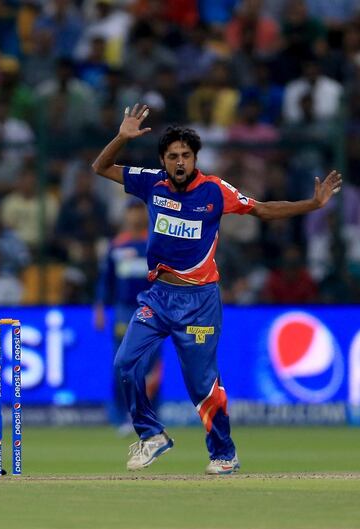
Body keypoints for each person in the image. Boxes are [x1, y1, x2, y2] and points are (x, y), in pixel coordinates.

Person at [91, 104, 342, 475]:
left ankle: (224, 454)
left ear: (195, 159)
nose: (180, 162)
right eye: (173, 156)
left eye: (186, 156)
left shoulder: (214, 190)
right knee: (125, 364)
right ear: (163, 159)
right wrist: (122, 138)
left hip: (199, 302)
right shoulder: (151, 182)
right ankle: (152, 435)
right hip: (158, 296)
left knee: (201, 385)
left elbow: (263, 210)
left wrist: (313, 204)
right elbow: (100, 168)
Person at [94, 201, 162, 436]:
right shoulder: (117, 245)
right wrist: (100, 308)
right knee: (122, 364)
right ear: (125, 216)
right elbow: (106, 281)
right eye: (131, 213)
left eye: (138, 212)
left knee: (152, 365)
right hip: (124, 311)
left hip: (153, 309)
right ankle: (123, 416)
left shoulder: (154, 242)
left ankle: (152, 418)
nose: (134, 217)